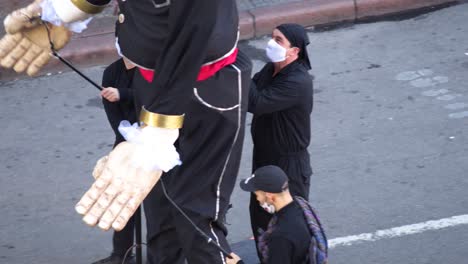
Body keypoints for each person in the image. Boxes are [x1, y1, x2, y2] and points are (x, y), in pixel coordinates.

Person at [0, 1, 252, 264]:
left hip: (208, 87)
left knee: (198, 219)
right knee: (160, 216)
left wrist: (156, 133)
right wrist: (64, 12)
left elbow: (194, 28)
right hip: (151, 81)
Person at [248, 23, 314, 259]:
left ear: (294, 51)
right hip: (264, 158)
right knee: (259, 217)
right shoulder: (271, 69)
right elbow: (249, 94)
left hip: (288, 166)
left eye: (279, 40)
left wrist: (237, 68)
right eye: (272, 37)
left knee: (283, 227)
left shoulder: (298, 81)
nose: (271, 43)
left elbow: (257, 102)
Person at [227, 165, 327, 264]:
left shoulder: (280, 236)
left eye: (257, 195)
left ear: (270, 196)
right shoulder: (302, 206)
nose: (257, 199)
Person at [92, 57, 137, 264]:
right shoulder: (111, 72)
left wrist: (124, 94)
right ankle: (122, 254)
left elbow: (156, 98)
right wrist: (126, 139)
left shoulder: (154, 67)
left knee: (160, 206)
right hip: (126, 141)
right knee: (123, 199)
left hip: (160, 142)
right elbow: (114, 115)